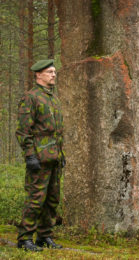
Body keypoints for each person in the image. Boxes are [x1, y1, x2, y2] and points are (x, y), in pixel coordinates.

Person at [16, 59, 65, 251]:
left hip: (54, 157)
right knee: (36, 199)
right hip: (39, 157)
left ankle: (44, 236)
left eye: (54, 71)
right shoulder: (31, 97)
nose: (53, 74)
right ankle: (24, 238)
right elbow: (23, 130)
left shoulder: (53, 99)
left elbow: (57, 132)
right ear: (38, 75)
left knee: (52, 199)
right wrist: (30, 155)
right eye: (49, 72)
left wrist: (62, 154)